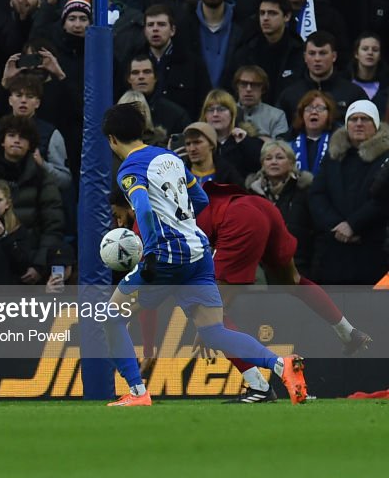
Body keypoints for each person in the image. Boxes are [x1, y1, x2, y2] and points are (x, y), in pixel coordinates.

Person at [102, 102, 308, 406]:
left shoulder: (130, 169)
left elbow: (143, 208)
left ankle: (137, 392)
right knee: (213, 331)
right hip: (197, 253)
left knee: (111, 317)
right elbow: (199, 198)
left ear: (112, 139)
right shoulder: (170, 157)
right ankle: (281, 365)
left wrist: (153, 248)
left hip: (165, 256)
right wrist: (180, 223)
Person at [193, 181, 373, 401]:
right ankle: (348, 332)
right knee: (293, 281)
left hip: (237, 219)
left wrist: (207, 325)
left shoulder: (148, 217)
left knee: (213, 317)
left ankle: (259, 386)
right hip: (261, 207)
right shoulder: (167, 183)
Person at [0, 115, 65, 284]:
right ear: (2, 141)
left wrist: (39, 265)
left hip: (27, 264)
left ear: (30, 144)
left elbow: (53, 226)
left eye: (23, 137)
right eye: (11, 135)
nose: (17, 141)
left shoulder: (42, 178)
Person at [308, 99, 389, 284]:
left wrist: (353, 225)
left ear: (376, 124)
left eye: (365, 119)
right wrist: (337, 225)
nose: (359, 123)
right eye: (353, 119)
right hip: (334, 250)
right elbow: (317, 194)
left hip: (373, 249)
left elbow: (383, 199)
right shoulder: (334, 157)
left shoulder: (386, 157)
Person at [245, 140, 315, 273]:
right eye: (268, 158)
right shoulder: (251, 193)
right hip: (259, 267)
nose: (274, 162)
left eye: (280, 157)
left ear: (291, 162)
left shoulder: (304, 190)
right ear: (262, 164)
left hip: (298, 265)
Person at [199, 89, 263, 177]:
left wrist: (246, 142)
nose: (215, 114)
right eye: (210, 110)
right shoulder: (197, 142)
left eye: (221, 109)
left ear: (232, 113)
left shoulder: (247, 140)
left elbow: (261, 164)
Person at [284, 90, 338, 176]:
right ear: (302, 114)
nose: (314, 112)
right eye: (308, 108)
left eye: (320, 108)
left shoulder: (337, 145)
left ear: (329, 114)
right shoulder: (288, 145)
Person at [234, 65, 289, 141]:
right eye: (243, 84)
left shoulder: (277, 115)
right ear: (237, 87)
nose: (248, 89)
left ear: (263, 89)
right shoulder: (226, 113)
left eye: (255, 85)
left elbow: (282, 148)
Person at [180, 121, 243, 186]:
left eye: (197, 142)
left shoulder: (229, 176)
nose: (192, 149)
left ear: (211, 144)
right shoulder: (178, 174)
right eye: (188, 144)